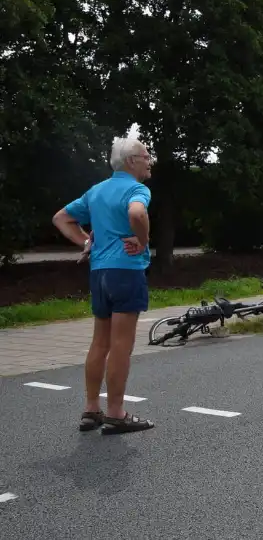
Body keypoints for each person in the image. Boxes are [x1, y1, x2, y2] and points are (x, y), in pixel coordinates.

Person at [52, 137, 155, 435]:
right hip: (126, 272)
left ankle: (91, 409)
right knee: (122, 345)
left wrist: (86, 242)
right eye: (146, 156)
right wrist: (143, 240)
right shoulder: (137, 189)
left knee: (100, 342)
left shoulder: (96, 191)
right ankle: (116, 413)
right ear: (132, 161)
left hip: (99, 274)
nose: (150, 162)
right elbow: (137, 213)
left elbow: (61, 218)